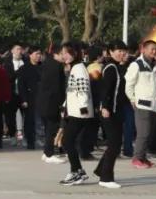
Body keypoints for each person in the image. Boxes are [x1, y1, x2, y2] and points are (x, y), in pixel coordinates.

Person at [94, 41, 129, 189]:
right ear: (110, 52)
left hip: (118, 110)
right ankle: (106, 178)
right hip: (109, 111)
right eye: (118, 51)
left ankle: (101, 169)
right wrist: (104, 107)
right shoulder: (110, 68)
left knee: (115, 143)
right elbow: (105, 89)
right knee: (114, 144)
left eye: (123, 51)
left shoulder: (119, 67)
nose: (122, 53)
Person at [59, 43, 93, 185]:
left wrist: (83, 108)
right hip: (75, 111)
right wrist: (65, 106)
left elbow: (83, 89)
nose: (64, 56)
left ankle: (76, 172)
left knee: (67, 141)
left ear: (75, 53)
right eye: (63, 53)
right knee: (68, 141)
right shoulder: (75, 68)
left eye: (67, 53)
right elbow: (72, 91)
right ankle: (77, 171)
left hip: (79, 112)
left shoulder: (78, 68)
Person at [125, 40, 156, 169]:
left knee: (150, 133)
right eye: (152, 49)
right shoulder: (136, 65)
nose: (154, 51)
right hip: (142, 104)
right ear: (143, 49)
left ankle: (143, 157)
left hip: (154, 104)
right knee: (143, 133)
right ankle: (137, 158)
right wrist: (132, 99)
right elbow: (129, 84)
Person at [37, 46, 66, 164]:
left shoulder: (47, 63)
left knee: (49, 128)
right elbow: (57, 87)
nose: (64, 56)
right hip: (52, 102)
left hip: (44, 101)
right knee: (51, 129)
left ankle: (46, 153)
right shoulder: (56, 66)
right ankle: (49, 154)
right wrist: (61, 102)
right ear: (56, 54)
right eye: (62, 54)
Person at [17, 48, 43, 151]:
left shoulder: (43, 67)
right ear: (30, 55)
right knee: (29, 121)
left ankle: (40, 138)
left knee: (41, 120)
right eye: (36, 54)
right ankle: (30, 141)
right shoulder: (24, 68)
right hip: (29, 98)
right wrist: (24, 99)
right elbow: (21, 85)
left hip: (42, 97)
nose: (39, 56)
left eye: (40, 54)